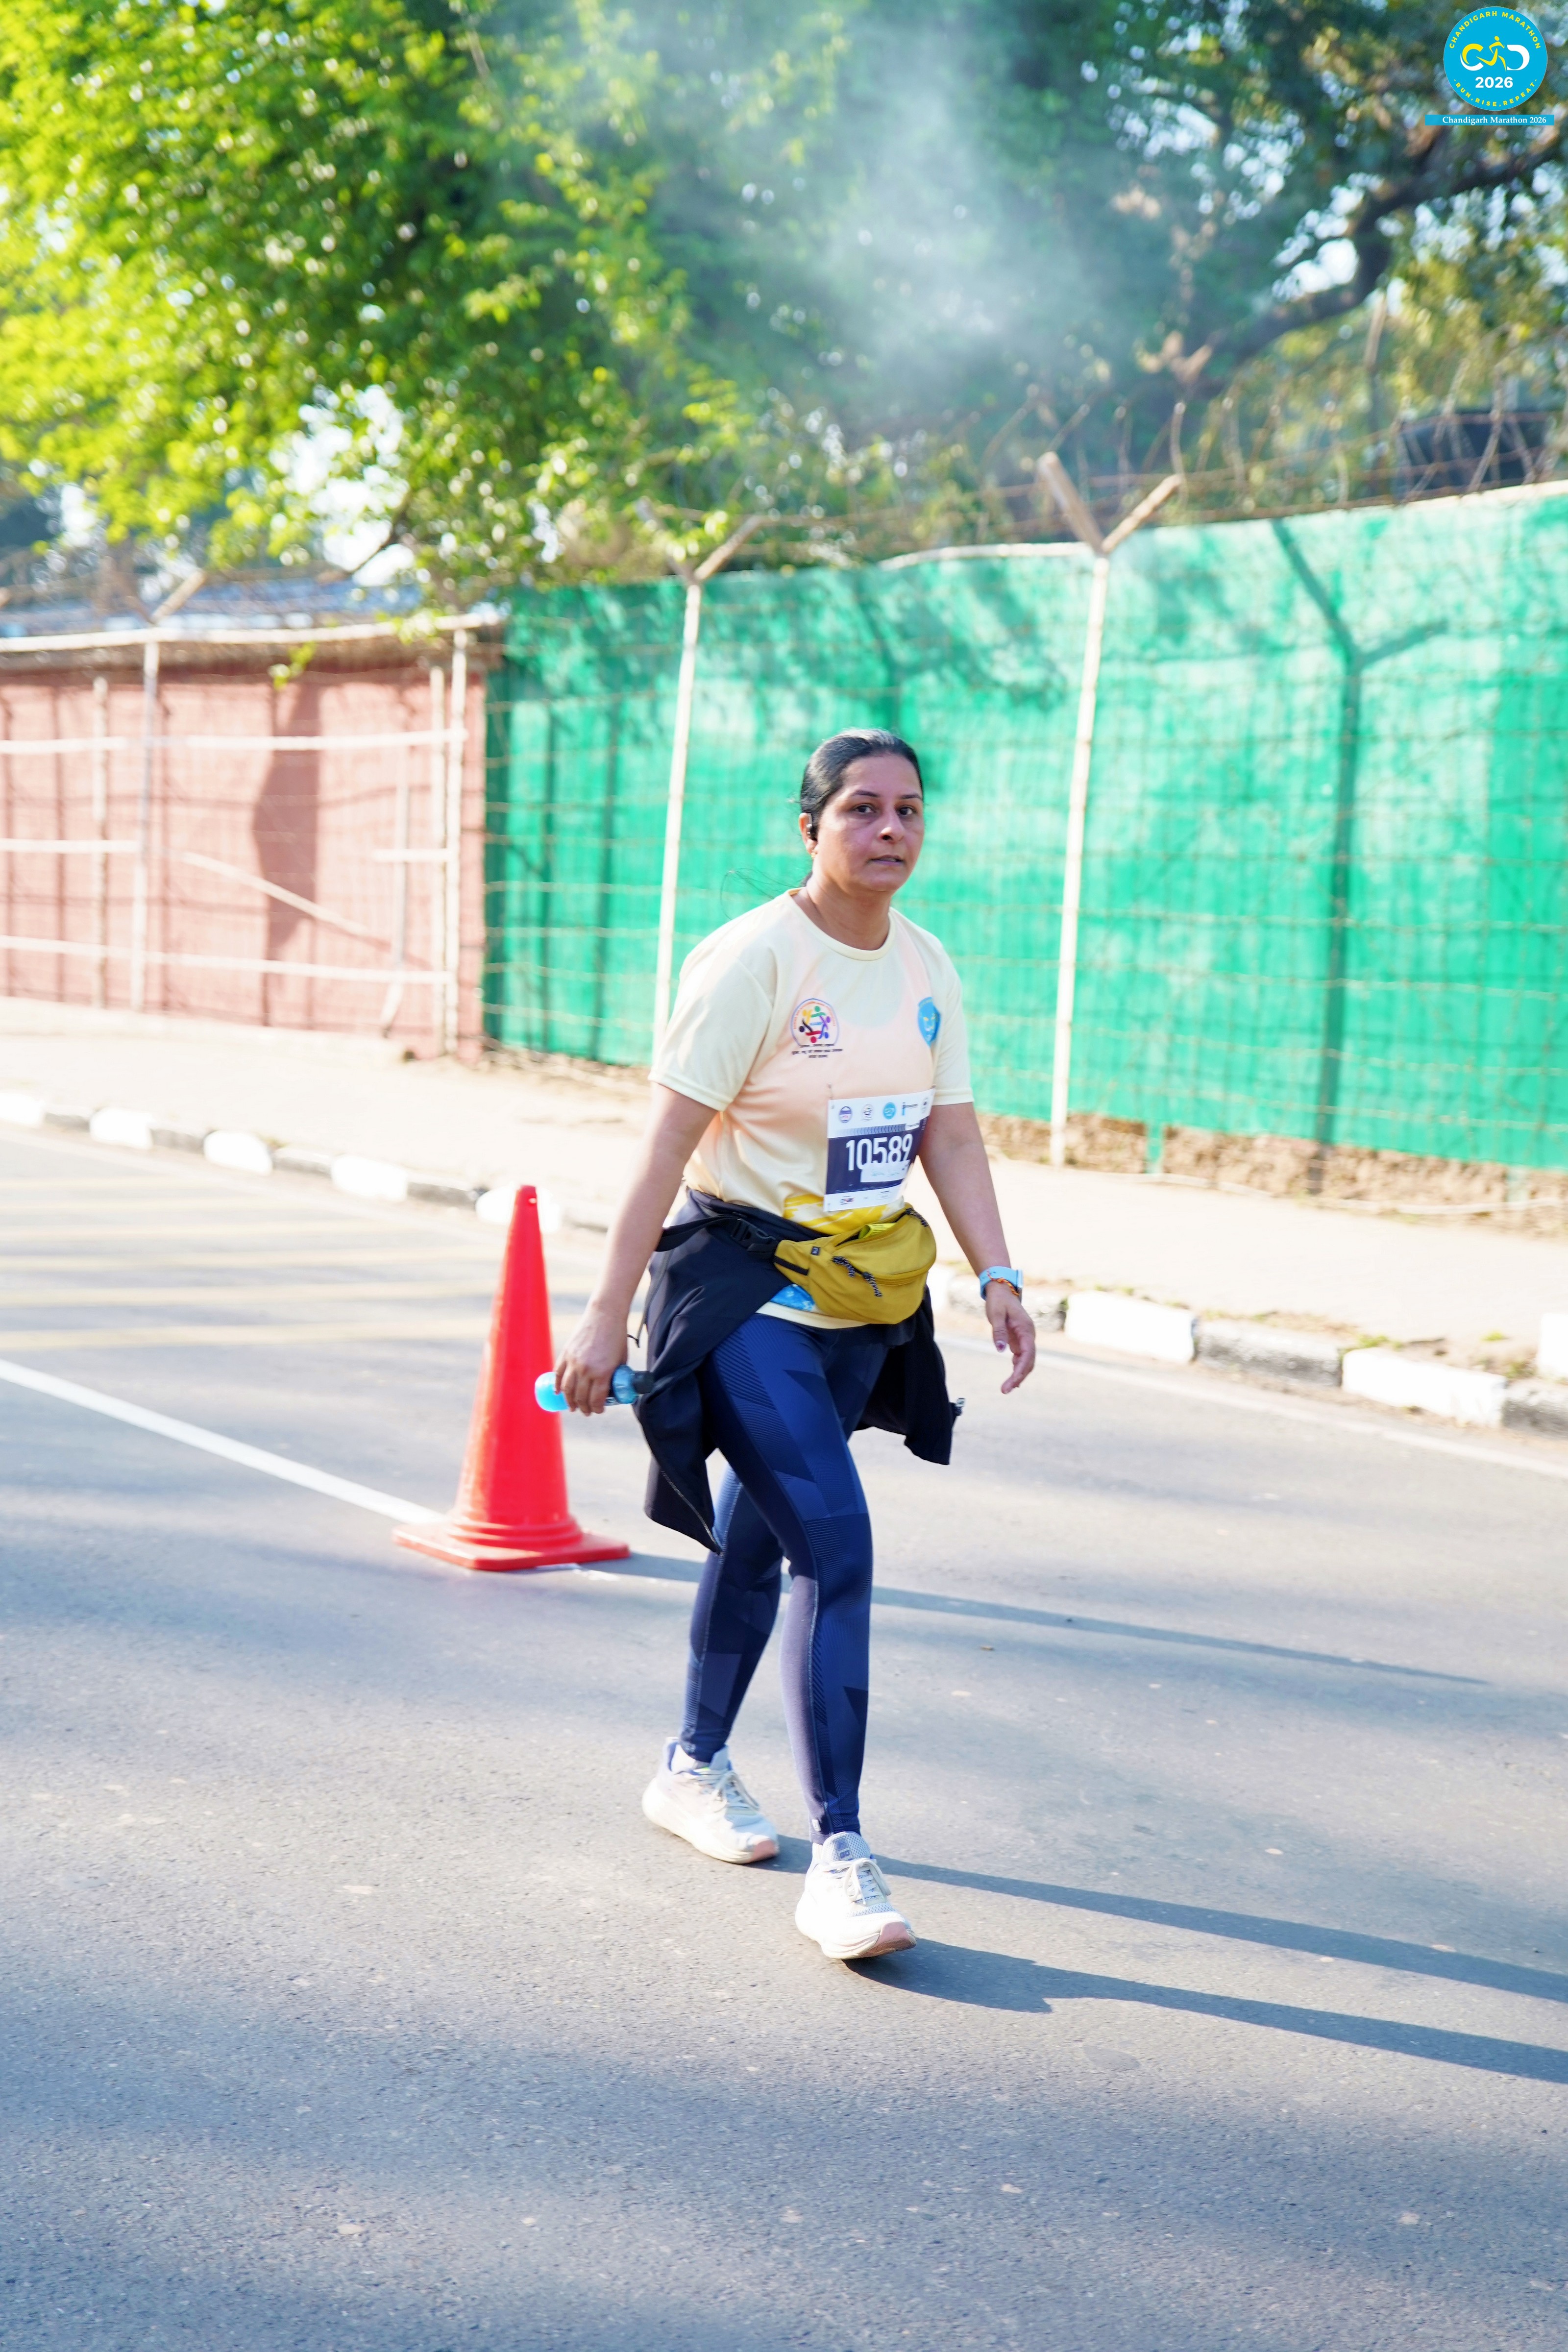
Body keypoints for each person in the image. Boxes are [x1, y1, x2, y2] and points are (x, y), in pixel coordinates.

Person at [555, 728, 1035, 1960]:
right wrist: (604, 1314)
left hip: (859, 1299)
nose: (889, 830)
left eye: (908, 810)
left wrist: (997, 1273)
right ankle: (842, 1857)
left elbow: (949, 1135)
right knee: (837, 1547)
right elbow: (663, 1147)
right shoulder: (755, 960)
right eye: (862, 809)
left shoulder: (926, 964)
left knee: (766, 1536)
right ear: (809, 826)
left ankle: (690, 1767)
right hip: (745, 1294)